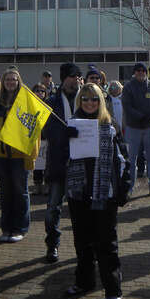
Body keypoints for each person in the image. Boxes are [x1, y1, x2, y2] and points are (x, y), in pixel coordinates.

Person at [63, 82, 132, 299]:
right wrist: (65, 139)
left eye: (94, 99)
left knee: (107, 244)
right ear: (79, 101)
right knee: (82, 242)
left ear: (101, 101)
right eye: (85, 99)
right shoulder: (71, 125)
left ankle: (113, 290)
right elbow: (60, 160)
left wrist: (124, 188)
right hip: (79, 193)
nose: (90, 103)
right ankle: (84, 282)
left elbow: (124, 159)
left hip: (104, 193)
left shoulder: (109, 126)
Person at [0, 67, 38, 242]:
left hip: (18, 156)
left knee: (20, 192)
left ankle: (20, 228)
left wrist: (31, 158)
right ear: (2, 82)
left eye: (14, 79)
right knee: (5, 193)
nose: (10, 82)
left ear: (18, 81)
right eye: (7, 79)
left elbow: (33, 133)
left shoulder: (25, 103)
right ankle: (6, 228)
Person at [42, 62, 82, 263]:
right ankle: (52, 245)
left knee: (81, 211)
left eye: (78, 76)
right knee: (53, 208)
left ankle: (83, 248)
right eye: (71, 76)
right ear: (63, 78)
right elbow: (45, 130)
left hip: (81, 163)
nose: (75, 80)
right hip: (58, 160)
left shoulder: (87, 99)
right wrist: (62, 133)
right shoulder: (51, 102)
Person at [122, 62, 150, 196]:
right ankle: (128, 188)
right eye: (138, 71)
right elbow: (127, 105)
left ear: (146, 72)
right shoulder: (128, 87)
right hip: (133, 128)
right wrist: (140, 117)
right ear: (134, 73)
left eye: (143, 70)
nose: (141, 73)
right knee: (130, 159)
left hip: (149, 127)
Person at [30, 83, 50, 195]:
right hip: (34, 137)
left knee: (46, 163)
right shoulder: (30, 105)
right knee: (36, 164)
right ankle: (37, 186)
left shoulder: (49, 105)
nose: (40, 93)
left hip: (46, 137)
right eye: (37, 90)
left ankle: (47, 185)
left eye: (42, 91)